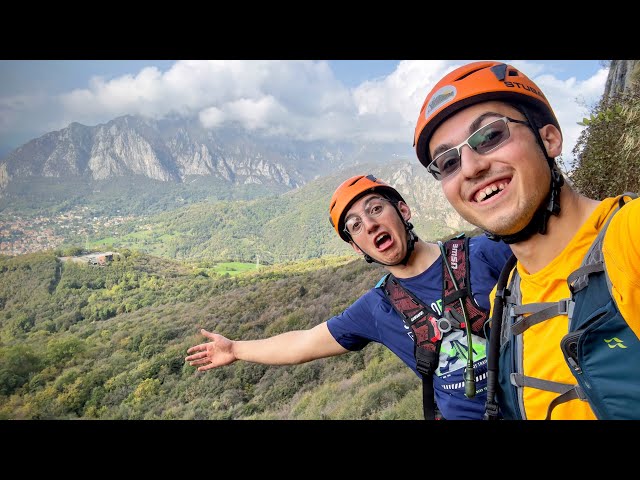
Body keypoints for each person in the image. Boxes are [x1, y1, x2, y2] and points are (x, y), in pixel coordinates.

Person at [412, 60, 640, 420]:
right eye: (448, 162)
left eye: (489, 135)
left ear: (549, 138)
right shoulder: (503, 299)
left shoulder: (629, 235)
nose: (471, 168)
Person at [185, 174, 512, 420]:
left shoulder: (484, 253)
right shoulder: (379, 307)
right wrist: (236, 349)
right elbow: (305, 343)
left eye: (375, 209)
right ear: (357, 247)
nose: (369, 225)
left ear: (403, 210)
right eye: (355, 226)